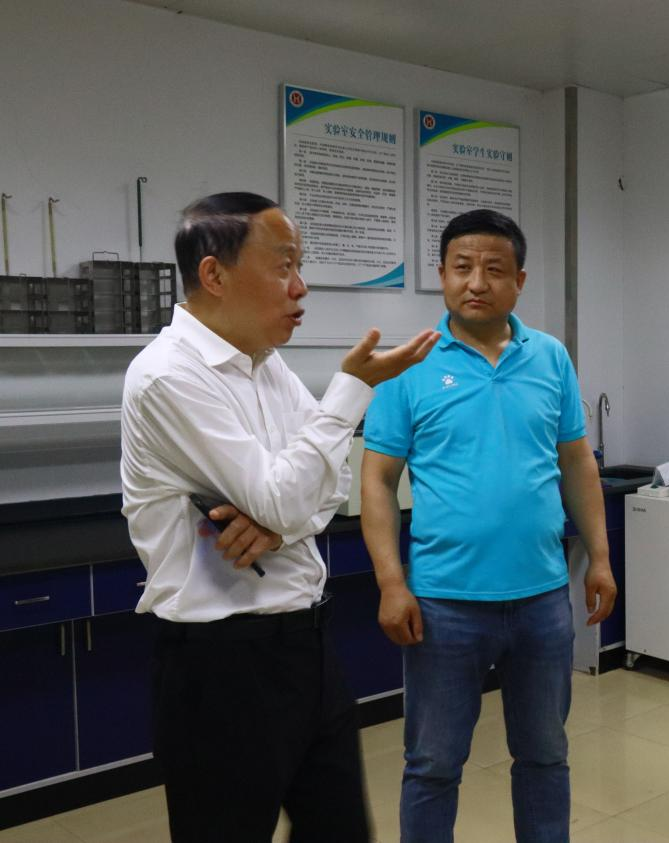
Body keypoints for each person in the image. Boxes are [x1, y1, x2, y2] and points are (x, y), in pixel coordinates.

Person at [120, 192, 438, 843]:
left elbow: (327, 489)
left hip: (306, 647)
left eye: (300, 266)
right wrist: (352, 388)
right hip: (221, 667)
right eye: (283, 265)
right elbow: (296, 491)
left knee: (340, 831)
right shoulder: (167, 377)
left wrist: (279, 520)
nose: (300, 287)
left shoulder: (267, 365)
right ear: (214, 274)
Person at [360, 208, 616, 843]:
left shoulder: (550, 357)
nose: (477, 282)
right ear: (442, 275)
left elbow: (577, 462)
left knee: (545, 755)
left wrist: (601, 558)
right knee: (432, 765)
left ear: (519, 281)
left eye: (495, 269)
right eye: (463, 267)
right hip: (443, 604)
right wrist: (391, 583)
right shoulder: (408, 364)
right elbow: (378, 480)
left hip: (542, 600)